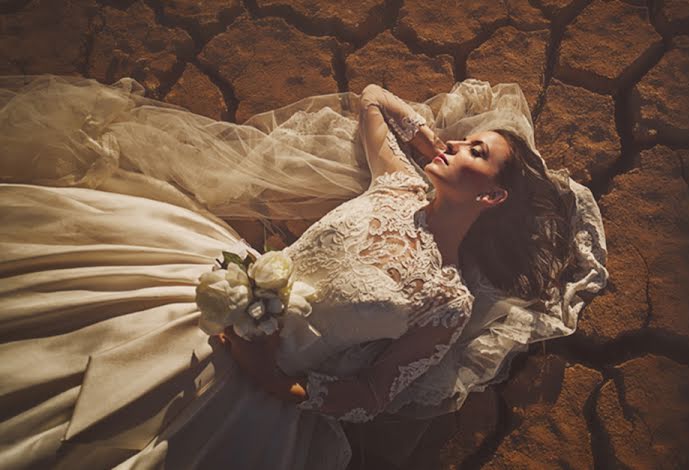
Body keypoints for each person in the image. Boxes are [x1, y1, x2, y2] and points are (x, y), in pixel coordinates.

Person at [0, 75, 609, 469]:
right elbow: (372, 96)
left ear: (494, 198)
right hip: (217, 301)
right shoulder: (396, 181)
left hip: (258, 388)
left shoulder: (446, 301)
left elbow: (372, 395)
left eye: (476, 151)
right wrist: (426, 137)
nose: (457, 147)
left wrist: (273, 379)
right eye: (465, 140)